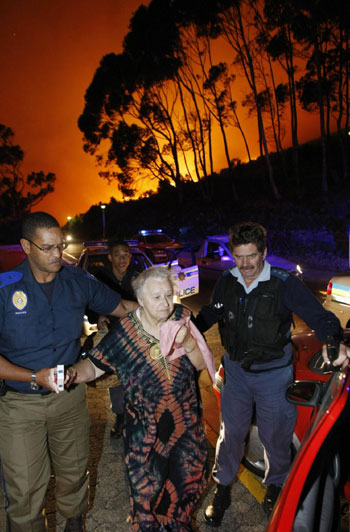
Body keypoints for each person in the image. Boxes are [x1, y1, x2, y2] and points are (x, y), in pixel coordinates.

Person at [194, 221, 347, 525]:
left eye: (252, 256)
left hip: (274, 374)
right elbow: (213, 312)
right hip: (237, 372)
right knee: (231, 435)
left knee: (276, 438)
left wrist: (334, 342)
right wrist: (186, 331)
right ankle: (222, 489)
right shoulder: (227, 280)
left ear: (263, 252)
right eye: (239, 256)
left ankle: (276, 487)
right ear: (232, 254)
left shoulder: (283, 283)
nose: (246, 264)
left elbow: (319, 316)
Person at [0, 212, 138, 532]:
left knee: (74, 470)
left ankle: (74, 521)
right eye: (47, 248)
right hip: (20, 405)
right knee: (24, 489)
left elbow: (120, 308)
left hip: (69, 398)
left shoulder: (77, 280)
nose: (57, 255)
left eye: (60, 246)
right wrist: (35, 377)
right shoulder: (5, 289)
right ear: (26, 246)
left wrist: (163, 310)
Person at [66, 266, 215, 531]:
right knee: (147, 491)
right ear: (141, 300)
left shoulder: (182, 317)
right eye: (156, 297)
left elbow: (202, 363)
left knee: (186, 485)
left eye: (168, 295)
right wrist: (71, 373)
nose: (165, 303)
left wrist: (189, 342)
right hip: (145, 432)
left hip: (185, 427)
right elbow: (95, 366)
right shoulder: (125, 331)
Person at [88, 239, 138, 438]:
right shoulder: (101, 279)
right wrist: (98, 316)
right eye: (117, 254)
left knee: (138, 377)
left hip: (136, 336)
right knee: (116, 379)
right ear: (110, 257)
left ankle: (139, 415)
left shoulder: (138, 278)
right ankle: (120, 416)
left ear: (130, 256)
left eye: (125, 254)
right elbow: (91, 304)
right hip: (113, 337)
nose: (122, 259)